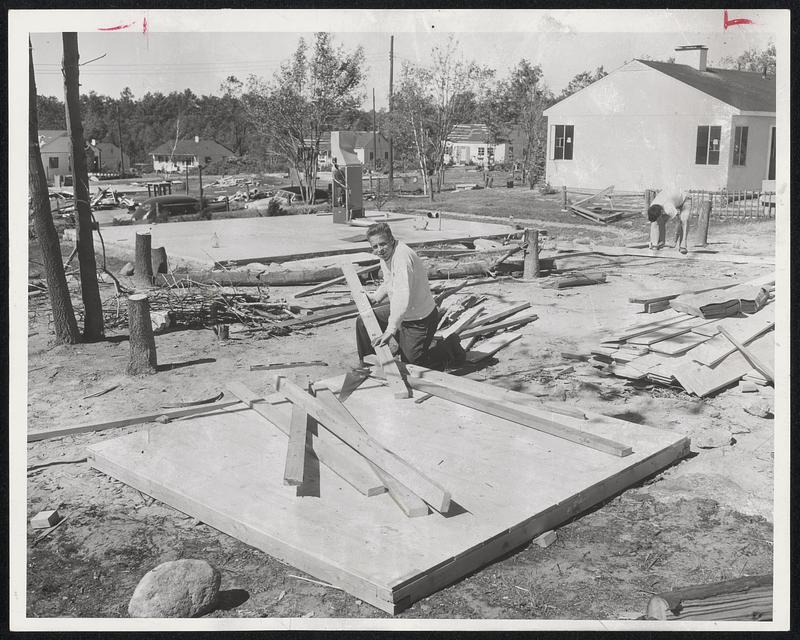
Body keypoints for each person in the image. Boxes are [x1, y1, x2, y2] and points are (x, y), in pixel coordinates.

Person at [355, 222, 464, 369]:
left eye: (382, 244)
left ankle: (448, 347)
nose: (379, 250)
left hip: (419, 320)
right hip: (404, 313)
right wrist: (376, 297)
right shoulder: (387, 255)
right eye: (375, 247)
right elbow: (389, 280)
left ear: (391, 240)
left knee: (412, 365)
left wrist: (390, 330)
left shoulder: (402, 258)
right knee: (363, 320)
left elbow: (401, 296)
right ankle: (367, 364)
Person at [647, 188, 691, 254]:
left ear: (661, 212)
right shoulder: (652, 206)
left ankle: (682, 246)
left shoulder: (668, 207)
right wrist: (654, 242)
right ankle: (655, 244)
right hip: (672, 198)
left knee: (684, 220)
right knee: (657, 221)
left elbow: (677, 222)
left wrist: (674, 241)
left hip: (685, 198)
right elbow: (654, 223)